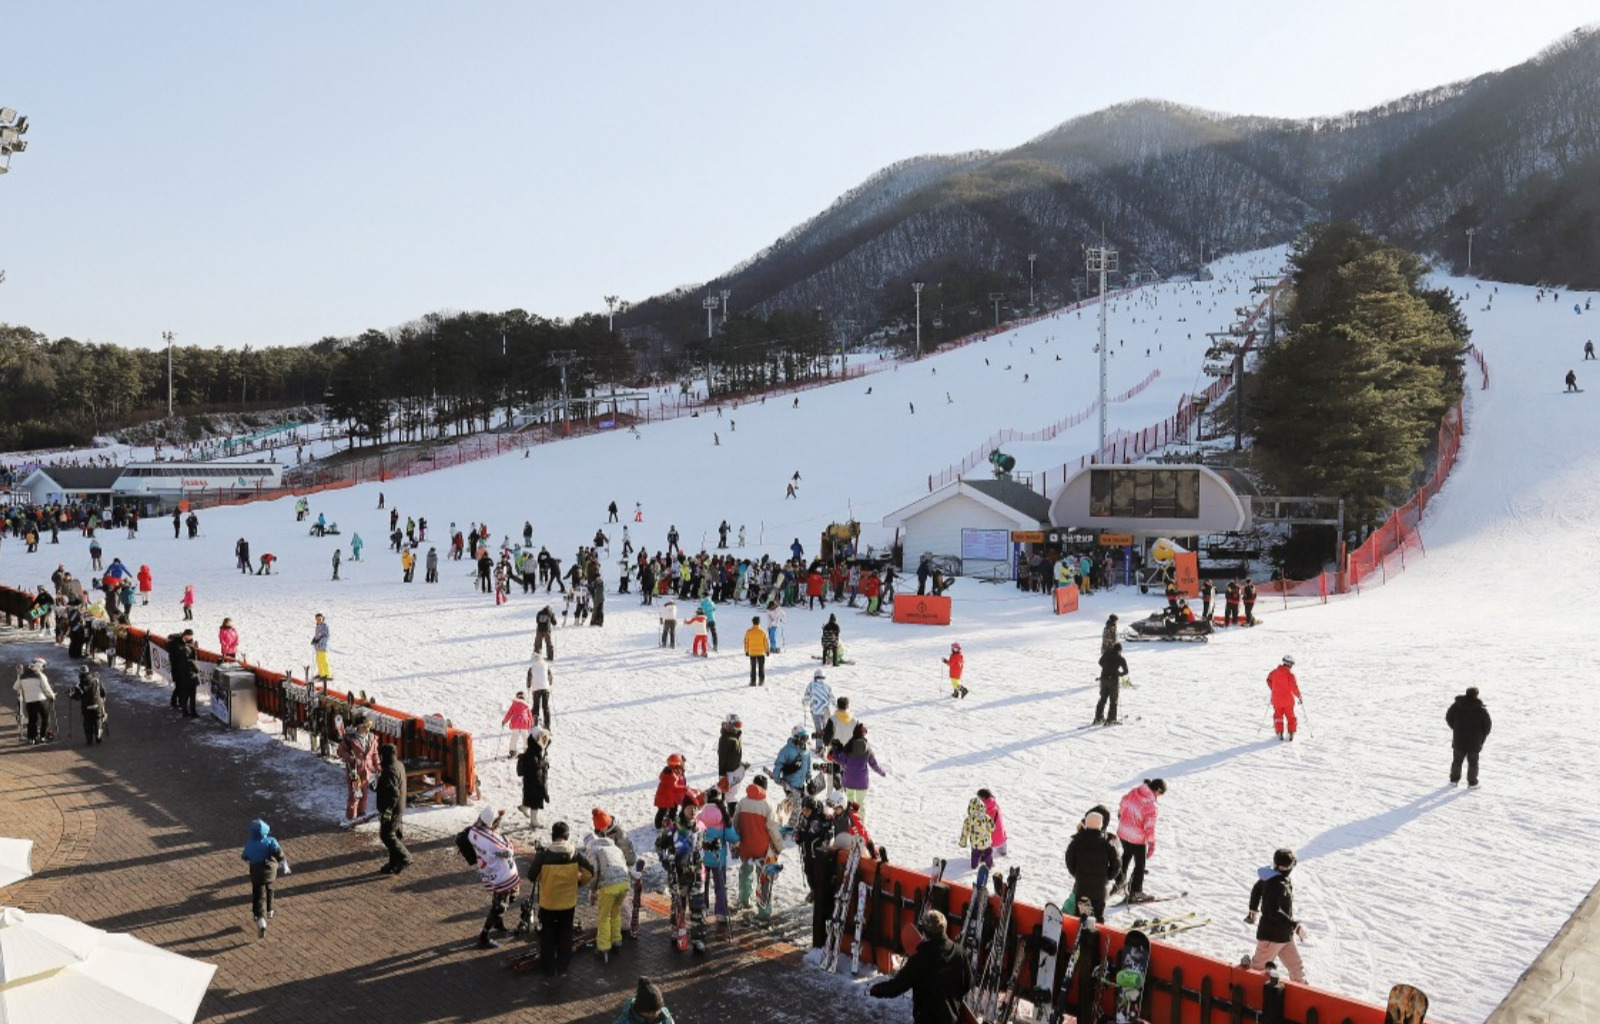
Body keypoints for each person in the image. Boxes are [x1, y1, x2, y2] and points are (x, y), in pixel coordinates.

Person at [868, 910, 974, 1023]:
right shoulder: (959, 953)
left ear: (925, 932)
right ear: (944, 928)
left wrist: (876, 989)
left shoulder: (919, 959)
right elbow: (968, 984)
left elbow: (896, 987)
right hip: (951, 1019)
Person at [527, 821, 595, 977]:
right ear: (567, 836)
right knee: (565, 934)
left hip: (549, 903)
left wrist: (544, 878)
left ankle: (548, 968)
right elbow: (590, 872)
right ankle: (563, 967)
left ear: (553, 836)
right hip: (568, 903)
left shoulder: (544, 856)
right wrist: (578, 883)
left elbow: (532, 876)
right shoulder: (575, 854)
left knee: (547, 935)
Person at [1245, 848, 1308, 983]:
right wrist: (1295, 926)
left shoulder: (1273, 877)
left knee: (1297, 969)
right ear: (1288, 867)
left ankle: (1303, 994)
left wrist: (1253, 909)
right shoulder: (1276, 884)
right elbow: (1274, 912)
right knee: (1256, 971)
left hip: (1285, 936)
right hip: (1271, 938)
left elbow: (1257, 889)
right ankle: (1246, 997)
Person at [466, 806, 521, 949]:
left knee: (509, 896)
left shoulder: (473, 832)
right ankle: (484, 935)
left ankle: (498, 922)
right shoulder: (492, 841)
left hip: (492, 872)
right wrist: (507, 841)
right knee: (499, 906)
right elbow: (508, 852)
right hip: (503, 876)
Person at [584, 816, 631, 962]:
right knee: (615, 912)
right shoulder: (613, 847)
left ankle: (603, 947)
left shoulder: (594, 851)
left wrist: (592, 890)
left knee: (604, 917)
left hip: (609, 886)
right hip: (624, 883)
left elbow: (594, 873)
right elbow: (624, 865)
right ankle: (617, 940)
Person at [1112, 778, 1166, 901]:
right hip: (1137, 838)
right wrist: (1152, 844)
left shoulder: (1135, 791)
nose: (1159, 797)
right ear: (1157, 790)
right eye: (1160, 794)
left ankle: (1119, 882)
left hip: (1123, 832)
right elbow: (1149, 827)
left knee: (1126, 856)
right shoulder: (1150, 805)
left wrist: (1121, 814)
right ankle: (1135, 891)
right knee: (1139, 865)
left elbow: (1123, 802)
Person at [735, 776, 784, 911]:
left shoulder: (742, 803)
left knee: (745, 872)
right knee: (763, 877)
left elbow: (735, 823)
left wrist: (737, 842)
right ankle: (764, 910)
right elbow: (772, 829)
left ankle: (744, 900)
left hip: (745, 846)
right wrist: (779, 846)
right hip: (762, 848)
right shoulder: (767, 805)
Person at [1064, 808, 1120, 919]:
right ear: (1101, 825)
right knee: (1097, 918)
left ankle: (1079, 934)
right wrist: (1108, 876)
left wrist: (1077, 874)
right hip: (1100, 890)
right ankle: (1096, 934)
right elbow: (1116, 864)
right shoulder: (1107, 845)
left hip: (1082, 887)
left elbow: (1069, 860)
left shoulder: (1077, 842)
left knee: (1081, 916)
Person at [241, 818, 288, 938]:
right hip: (270, 872)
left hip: (257, 873)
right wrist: (283, 864)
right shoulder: (271, 841)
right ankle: (270, 910)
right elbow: (279, 853)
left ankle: (260, 918)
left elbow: (244, 856)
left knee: (258, 895)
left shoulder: (250, 845)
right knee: (270, 888)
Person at [697, 802, 739, 933]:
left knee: (702, 885)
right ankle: (721, 912)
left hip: (703, 857)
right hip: (718, 859)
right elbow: (732, 838)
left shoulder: (700, 816)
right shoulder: (723, 818)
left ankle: (701, 909)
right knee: (720, 886)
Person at [830, 722, 886, 818]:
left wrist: (836, 749)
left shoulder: (849, 746)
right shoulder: (867, 748)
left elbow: (840, 759)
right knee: (861, 802)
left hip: (849, 780)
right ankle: (861, 822)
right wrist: (882, 772)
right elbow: (873, 764)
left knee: (850, 801)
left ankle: (851, 820)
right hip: (862, 781)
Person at [1446, 686, 1492, 788]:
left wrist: (1456, 728)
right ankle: (1472, 783)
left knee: (1457, 761)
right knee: (1473, 763)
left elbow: (1448, 718)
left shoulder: (1456, 706)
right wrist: (1482, 737)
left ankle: (1454, 781)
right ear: (1476, 695)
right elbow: (1487, 727)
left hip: (1459, 740)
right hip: (1474, 742)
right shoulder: (1481, 710)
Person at [337, 715, 381, 822]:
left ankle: (361, 814)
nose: (367, 729)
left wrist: (378, 767)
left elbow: (375, 755)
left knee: (364, 794)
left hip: (366, 772)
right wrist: (351, 759)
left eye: (368, 726)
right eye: (365, 726)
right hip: (354, 773)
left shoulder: (372, 739)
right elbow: (340, 751)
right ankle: (351, 817)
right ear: (359, 727)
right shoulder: (350, 739)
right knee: (355, 795)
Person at [376, 743, 411, 874]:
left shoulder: (390, 770)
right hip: (400, 806)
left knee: (387, 835)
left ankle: (405, 857)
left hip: (393, 809)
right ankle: (394, 863)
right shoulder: (399, 765)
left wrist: (388, 811)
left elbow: (394, 793)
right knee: (396, 834)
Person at [13, 656, 56, 744]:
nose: (43, 668)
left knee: (32, 720)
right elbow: (46, 688)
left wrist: (20, 679)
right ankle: (43, 737)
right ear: (39, 666)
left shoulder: (23, 676)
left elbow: (15, 687)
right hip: (41, 700)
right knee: (45, 718)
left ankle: (32, 738)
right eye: (43, 666)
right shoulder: (40, 675)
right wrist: (52, 696)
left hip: (29, 702)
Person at [516, 726, 551, 830]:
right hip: (534, 780)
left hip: (532, 779)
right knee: (535, 800)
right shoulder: (532, 751)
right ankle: (534, 821)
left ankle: (524, 807)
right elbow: (535, 765)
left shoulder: (533, 747)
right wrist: (545, 762)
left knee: (531, 797)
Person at [70, 665, 108, 744]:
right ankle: (98, 734)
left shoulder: (79, 685)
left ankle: (89, 739)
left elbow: (77, 697)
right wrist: (103, 697)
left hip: (86, 706)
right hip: (97, 704)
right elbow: (103, 691)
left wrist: (71, 696)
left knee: (87, 722)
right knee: (98, 719)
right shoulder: (96, 681)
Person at [168, 629, 201, 718]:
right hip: (179, 669)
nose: (191, 638)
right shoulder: (177, 644)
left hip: (184, 670)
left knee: (182, 689)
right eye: (189, 636)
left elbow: (193, 657)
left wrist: (194, 649)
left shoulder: (189, 644)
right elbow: (181, 655)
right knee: (180, 687)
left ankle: (182, 706)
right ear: (185, 635)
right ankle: (176, 702)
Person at [1267, 655, 1302, 741]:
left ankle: (1279, 732)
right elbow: (1294, 687)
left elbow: (1268, 680)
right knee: (1290, 716)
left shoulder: (1274, 672)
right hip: (1288, 700)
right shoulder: (1290, 675)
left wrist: (1274, 688)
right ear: (1289, 664)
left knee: (1278, 715)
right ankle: (1291, 732)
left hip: (1276, 699)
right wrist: (1299, 696)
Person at [957, 796, 995, 870]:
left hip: (975, 843)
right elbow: (992, 827)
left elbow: (965, 832)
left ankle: (974, 866)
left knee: (975, 854)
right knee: (988, 854)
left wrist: (963, 842)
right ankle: (989, 865)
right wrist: (989, 829)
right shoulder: (986, 817)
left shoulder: (968, 819)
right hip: (986, 842)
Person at [1095, 642, 1128, 725]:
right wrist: (1118, 673)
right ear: (1120, 650)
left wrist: (1107, 667)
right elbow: (1126, 671)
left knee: (1102, 699)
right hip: (1113, 680)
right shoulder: (1120, 658)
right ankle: (1111, 719)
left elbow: (1100, 662)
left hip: (1103, 679)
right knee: (1113, 700)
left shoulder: (1107, 654)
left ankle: (1098, 718)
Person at [653, 754, 689, 829]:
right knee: (662, 811)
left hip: (667, 796)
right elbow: (674, 787)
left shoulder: (669, 770)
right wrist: (684, 788)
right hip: (665, 798)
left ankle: (671, 819)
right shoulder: (671, 776)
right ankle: (658, 824)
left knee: (671, 808)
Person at [804, 669, 833, 750]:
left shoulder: (811, 685)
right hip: (826, 710)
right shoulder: (827, 686)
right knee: (826, 728)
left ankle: (819, 747)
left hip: (816, 710)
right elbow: (832, 697)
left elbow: (806, 696)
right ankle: (828, 745)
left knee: (819, 728)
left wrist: (805, 702)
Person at [717, 713, 746, 794]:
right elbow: (722, 758)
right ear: (730, 724)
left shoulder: (736, 735)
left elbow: (734, 754)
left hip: (735, 770)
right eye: (736, 725)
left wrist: (740, 764)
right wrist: (722, 776)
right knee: (728, 795)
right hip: (728, 773)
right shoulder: (725, 739)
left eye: (740, 725)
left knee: (733, 793)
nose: (738, 728)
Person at [743, 615, 769, 686]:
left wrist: (746, 651)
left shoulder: (749, 632)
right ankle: (761, 680)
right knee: (761, 667)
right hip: (761, 652)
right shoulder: (762, 632)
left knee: (753, 667)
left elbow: (746, 642)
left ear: (752, 622)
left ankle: (753, 681)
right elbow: (765, 642)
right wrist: (767, 650)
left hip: (752, 652)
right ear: (759, 622)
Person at [311, 613, 331, 681]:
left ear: (322, 619)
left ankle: (327, 674)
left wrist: (319, 641)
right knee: (318, 660)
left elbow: (326, 636)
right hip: (318, 647)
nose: (318, 620)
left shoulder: (325, 626)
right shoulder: (317, 627)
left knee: (323, 660)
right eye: (317, 619)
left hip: (323, 646)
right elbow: (317, 636)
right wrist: (314, 640)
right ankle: (321, 674)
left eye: (320, 619)